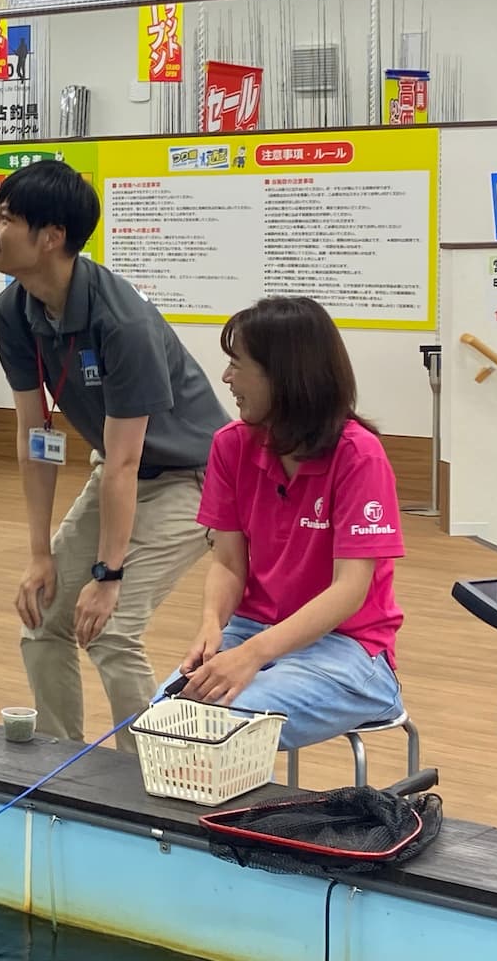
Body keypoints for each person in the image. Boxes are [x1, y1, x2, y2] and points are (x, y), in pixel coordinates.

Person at [0, 160, 228, 751]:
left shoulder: (123, 322)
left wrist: (108, 574)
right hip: (119, 471)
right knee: (43, 615)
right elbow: (32, 435)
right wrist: (40, 555)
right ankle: (60, 766)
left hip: (192, 478)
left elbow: (125, 460)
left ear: (51, 238)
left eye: (6, 217)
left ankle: (144, 781)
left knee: (112, 629)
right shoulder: (11, 312)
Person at [170, 297, 405, 750]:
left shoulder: (359, 455)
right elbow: (228, 563)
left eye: (238, 365)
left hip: (350, 649)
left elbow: (350, 590)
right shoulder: (230, 445)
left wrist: (252, 657)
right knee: (166, 719)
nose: (226, 378)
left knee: (217, 731)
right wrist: (211, 623)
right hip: (251, 630)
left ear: (284, 375)